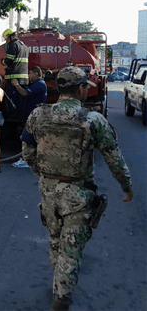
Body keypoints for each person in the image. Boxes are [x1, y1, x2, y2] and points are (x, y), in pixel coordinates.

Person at [21, 66, 133, 311]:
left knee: (54, 240)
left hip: (48, 192)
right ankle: (61, 298)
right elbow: (114, 159)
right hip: (78, 196)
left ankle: (59, 281)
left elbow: (27, 152)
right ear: (81, 89)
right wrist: (127, 187)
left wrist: (43, 176)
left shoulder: (38, 115)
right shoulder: (92, 120)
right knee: (71, 250)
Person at [11, 66, 48, 168]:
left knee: (28, 138)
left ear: (36, 73)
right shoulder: (38, 83)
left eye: (30, 73)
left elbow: (25, 93)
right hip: (34, 115)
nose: (29, 75)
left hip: (34, 116)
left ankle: (27, 160)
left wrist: (16, 85)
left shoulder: (39, 84)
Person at [1, 28, 29, 113]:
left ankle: (11, 120)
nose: (6, 41)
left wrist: (3, 61)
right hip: (24, 80)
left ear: (11, 37)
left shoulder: (13, 45)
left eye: (6, 39)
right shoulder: (24, 46)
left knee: (11, 103)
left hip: (13, 79)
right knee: (21, 103)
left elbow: (9, 60)